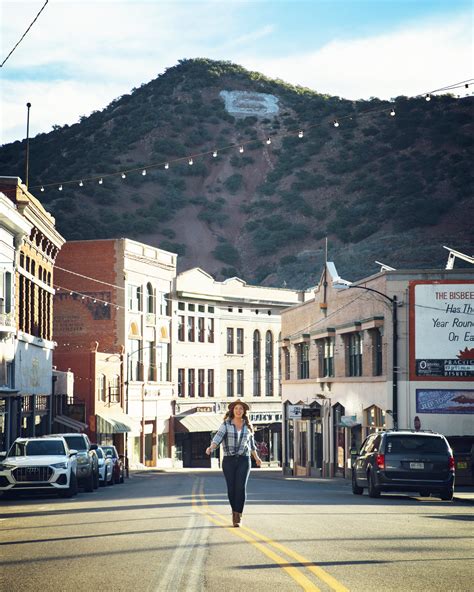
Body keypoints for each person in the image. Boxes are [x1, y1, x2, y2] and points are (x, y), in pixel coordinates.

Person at [205, 399, 262, 527]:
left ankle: (238, 515)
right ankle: (234, 511)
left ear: (244, 411)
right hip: (229, 460)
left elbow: (251, 445)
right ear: (232, 410)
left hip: (244, 459)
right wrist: (211, 448)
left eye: (241, 409)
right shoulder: (226, 424)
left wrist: (256, 458)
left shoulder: (248, 426)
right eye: (236, 408)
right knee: (231, 489)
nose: (238, 411)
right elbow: (218, 438)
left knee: (240, 487)